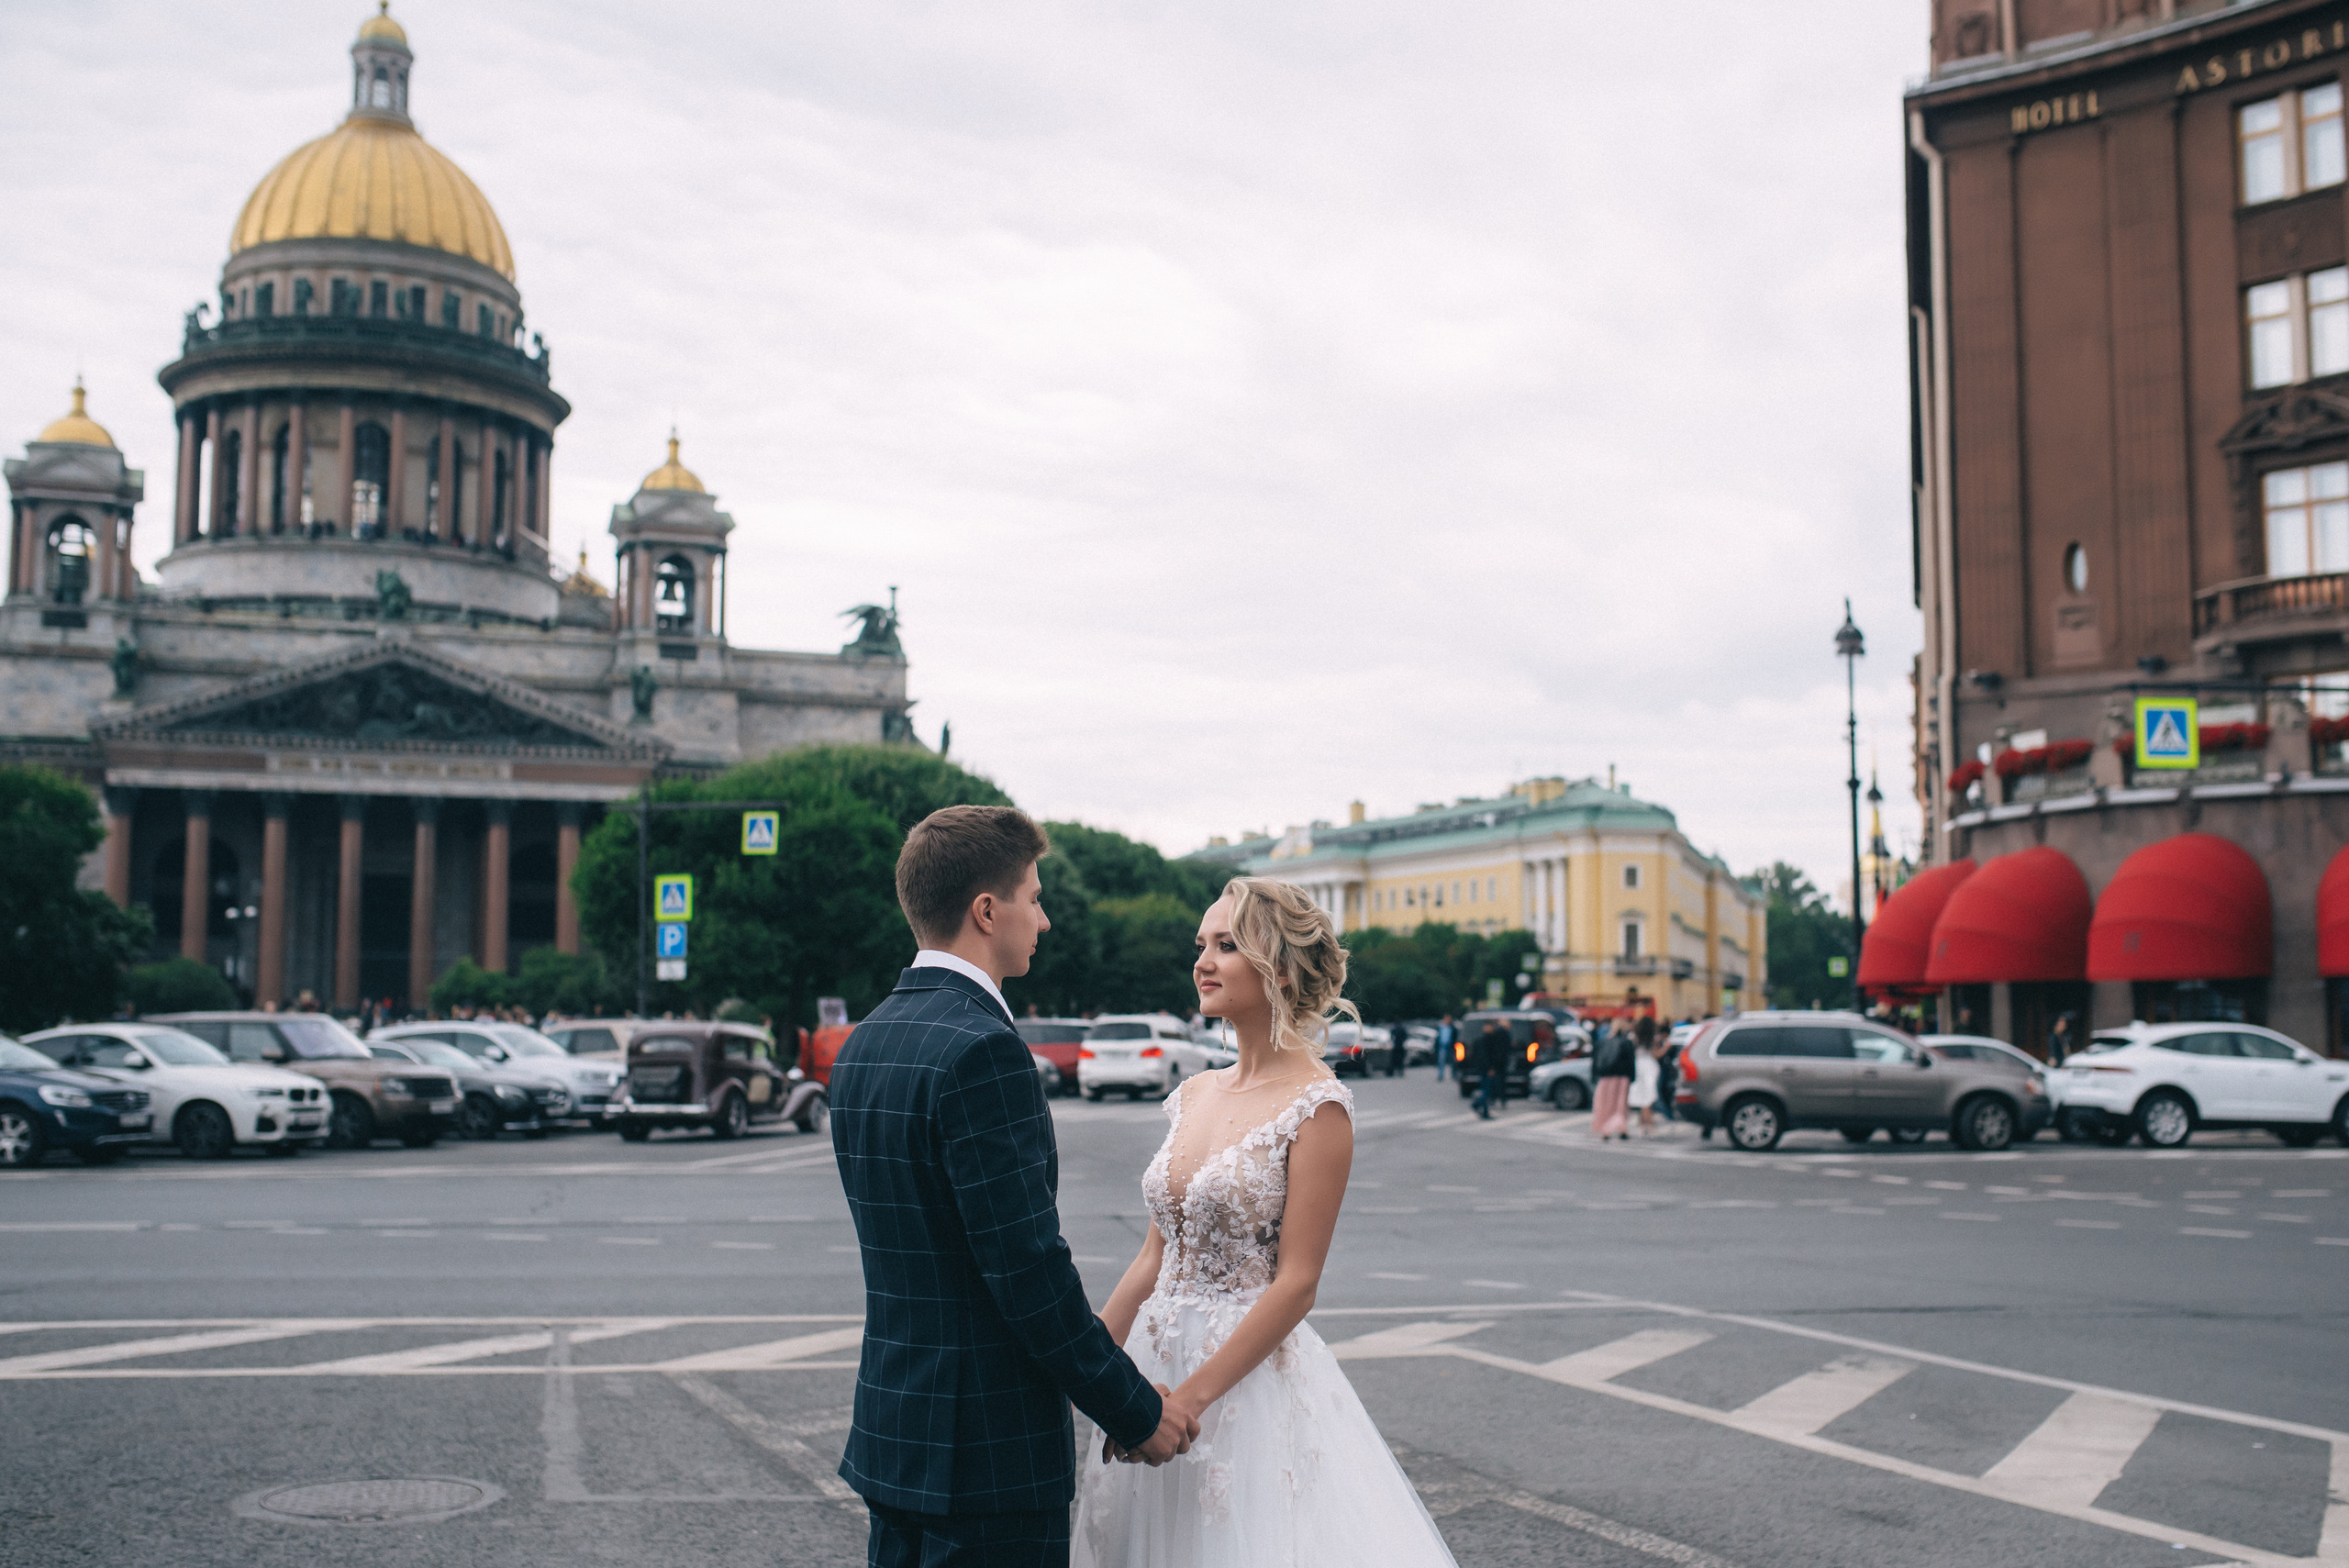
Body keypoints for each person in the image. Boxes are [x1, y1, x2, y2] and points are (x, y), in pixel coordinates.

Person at [831, 806, 1197, 1568]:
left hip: (894, 1434)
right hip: (985, 1459)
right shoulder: (984, 1050)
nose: (1046, 918)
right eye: (1033, 896)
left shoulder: (867, 1042)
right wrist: (1133, 1411)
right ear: (986, 910)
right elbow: (1027, 1271)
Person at [1074, 878, 1457, 1567]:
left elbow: (1297, 1284)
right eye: (1201, 945)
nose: (1203, 961)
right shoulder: (1191, 1093)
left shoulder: (1319, 1108)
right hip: (1151, 1368)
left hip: (1241, 1388)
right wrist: (1091, 1365)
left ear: (1279, 967)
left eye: (1226, 945)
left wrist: (1188, 1402)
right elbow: (1152, 1256)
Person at [1591, 1018, 1634, 1140]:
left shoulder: (1603, 1042)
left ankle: (1606, 1130)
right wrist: (1632, 1078)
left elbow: (1595, 1060)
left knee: (1605, 1105)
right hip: (1622, 1078)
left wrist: (1594, 1076)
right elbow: (1631, 1063)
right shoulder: (1627, 1042)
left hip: (1605, 1078)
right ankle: (1622, 1129)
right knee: (1620, 1105)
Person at [1470, 1019, 1509, 1118]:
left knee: (1487, 1091)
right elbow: (1484, 1056)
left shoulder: (1492, 1038)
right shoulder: (1484, 1040)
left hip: (1488, 1068)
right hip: (1486, 1069)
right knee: (1486, 1091)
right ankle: (1478, 1106)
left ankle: (1484, 1110)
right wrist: (1490, 1068)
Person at [1629, 1040, 1660, 1137]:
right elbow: (1656, 1054)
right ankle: (1649, 1125)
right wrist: (1667, 1046)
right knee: (1647, 1098)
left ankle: (1644, 1126)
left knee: (1643, 1097)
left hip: (1637, 1066)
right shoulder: (1653, 1039)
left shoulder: (1633, 1038)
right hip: (1648, 1066)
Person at [1433, 1014, 1456, 1082]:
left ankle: (1453, 1074)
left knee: (1453, 1061)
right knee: (1441, 1061)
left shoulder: (1452, 1028)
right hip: (1442, 1046)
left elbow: (1455, 1037)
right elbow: (1437, 1037)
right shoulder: (1441, 1027)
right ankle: (1441, 1074)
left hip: (1450, 1046)